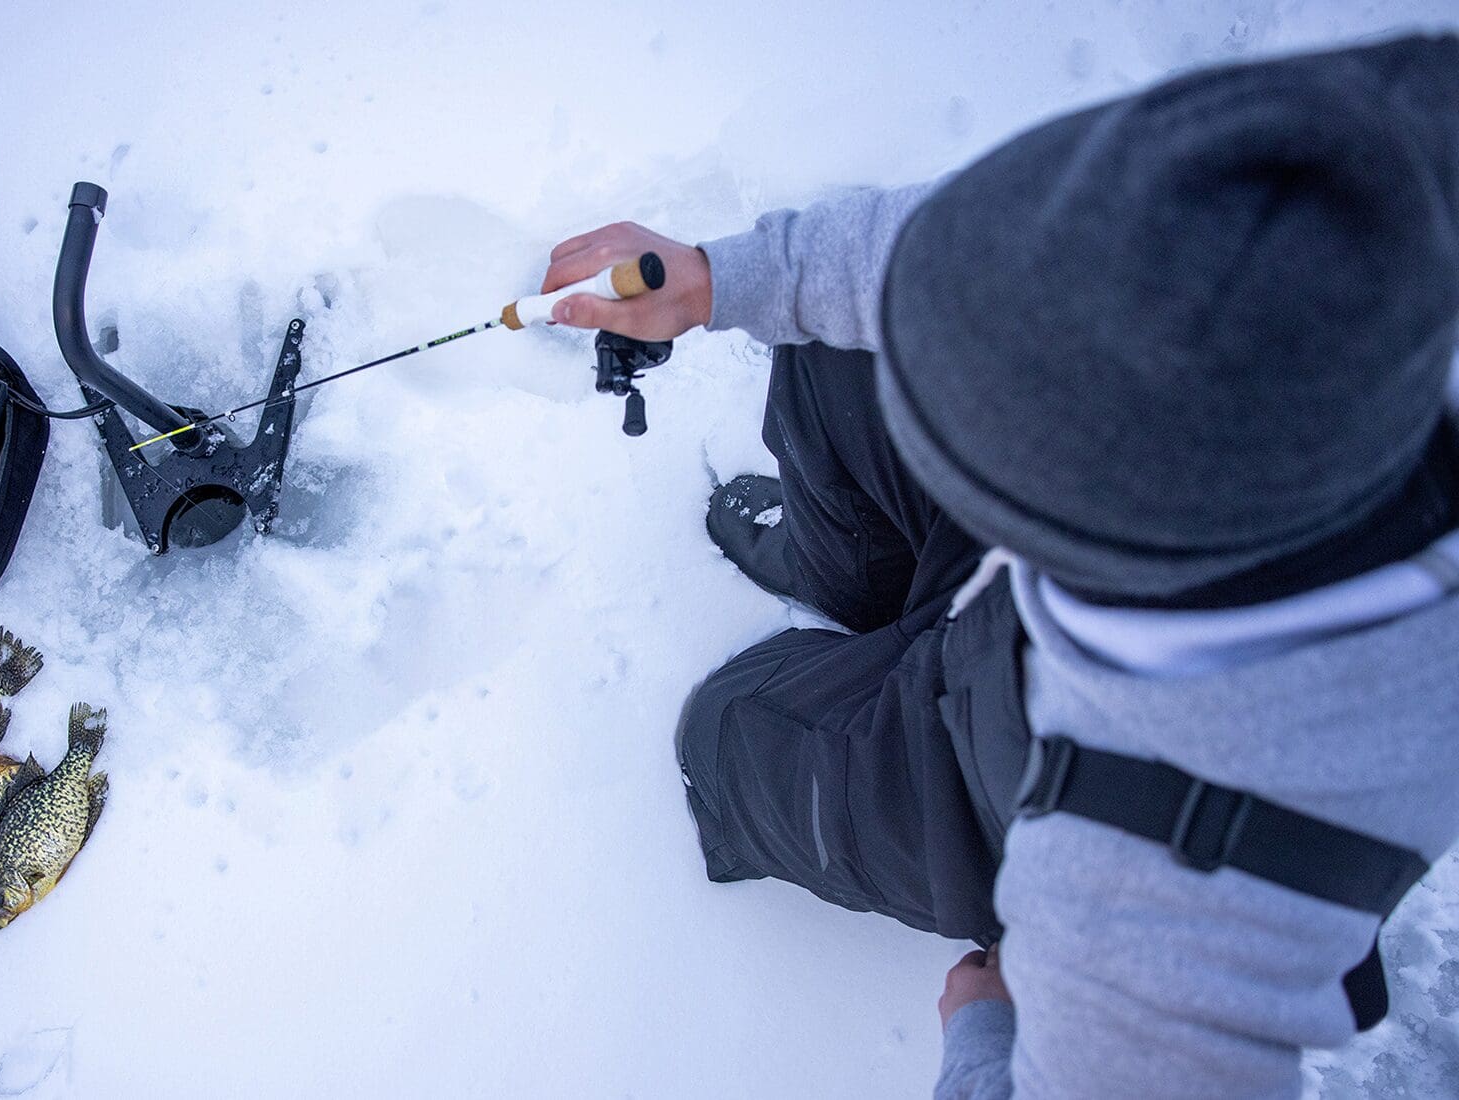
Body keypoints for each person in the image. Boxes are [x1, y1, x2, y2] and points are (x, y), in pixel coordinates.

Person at [539, 35, 1459, 1099]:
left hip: (1002, 790)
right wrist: (718, 278)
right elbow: (964, 257)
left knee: (729, 728)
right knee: (842, 355)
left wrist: (985, 1041)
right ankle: (847, 583)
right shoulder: (1316, 261)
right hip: (1031, 601)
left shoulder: (1156, 904)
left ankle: (826, 683)